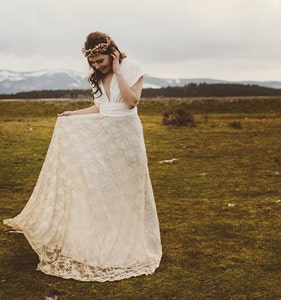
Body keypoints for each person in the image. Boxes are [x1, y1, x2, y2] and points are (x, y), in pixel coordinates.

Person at [3, 31, 162, 282]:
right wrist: (74, 114)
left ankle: (129, 241)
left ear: (112, 53)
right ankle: (107, 237)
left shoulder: (132, 67)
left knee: (128, 188)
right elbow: (101, 107)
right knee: (105, 187)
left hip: (128, 136)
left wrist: (118, 71)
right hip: (105, 136)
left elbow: (131, 102)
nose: (98, 66)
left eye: (101, 61)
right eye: (94, 63)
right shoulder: (95, 78)